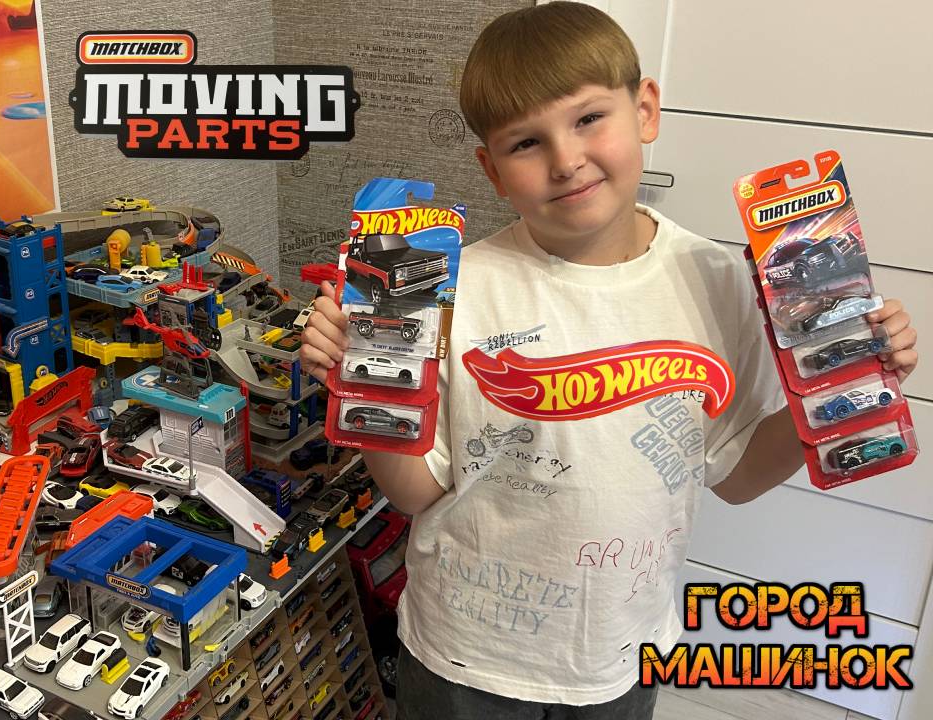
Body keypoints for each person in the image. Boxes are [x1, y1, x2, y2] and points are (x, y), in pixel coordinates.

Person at [298, 4, 919, 719]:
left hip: (621, 657)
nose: (566, 160)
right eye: (526, 142)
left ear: (645, 109)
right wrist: (359, 380)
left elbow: (740, 476)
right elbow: (414, 494)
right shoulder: (454, 289)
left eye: (589, 118)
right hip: (463, 659)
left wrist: (846, 385)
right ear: (491, 169)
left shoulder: (718, 282)